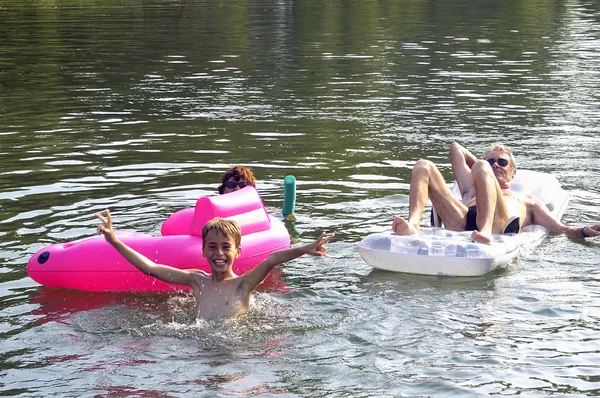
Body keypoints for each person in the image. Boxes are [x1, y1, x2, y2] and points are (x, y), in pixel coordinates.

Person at [96, 209, 334, 319]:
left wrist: (305, 249)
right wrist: (115, 241)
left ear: (237, 252)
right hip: (200, 346)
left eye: (225, 247)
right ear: (203, 250)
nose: (219, 253)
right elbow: (151, 268)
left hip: (233, 348)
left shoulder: (244, 285)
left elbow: (272, 259)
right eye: (212, 247)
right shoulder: (196, 280)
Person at [392, 142, 600, 243]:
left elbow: (561, 229)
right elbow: (456, 149)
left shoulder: (527, 200)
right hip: (463, 220)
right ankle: (413, 226)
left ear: (513, 172)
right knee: (422, 165)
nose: (496, 165)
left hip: (498, 223)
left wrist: (583, 230)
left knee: (482, 169)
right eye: (492, 161)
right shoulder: (471, 187)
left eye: (502, 163)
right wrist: (481, 169)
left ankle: (484, 230)